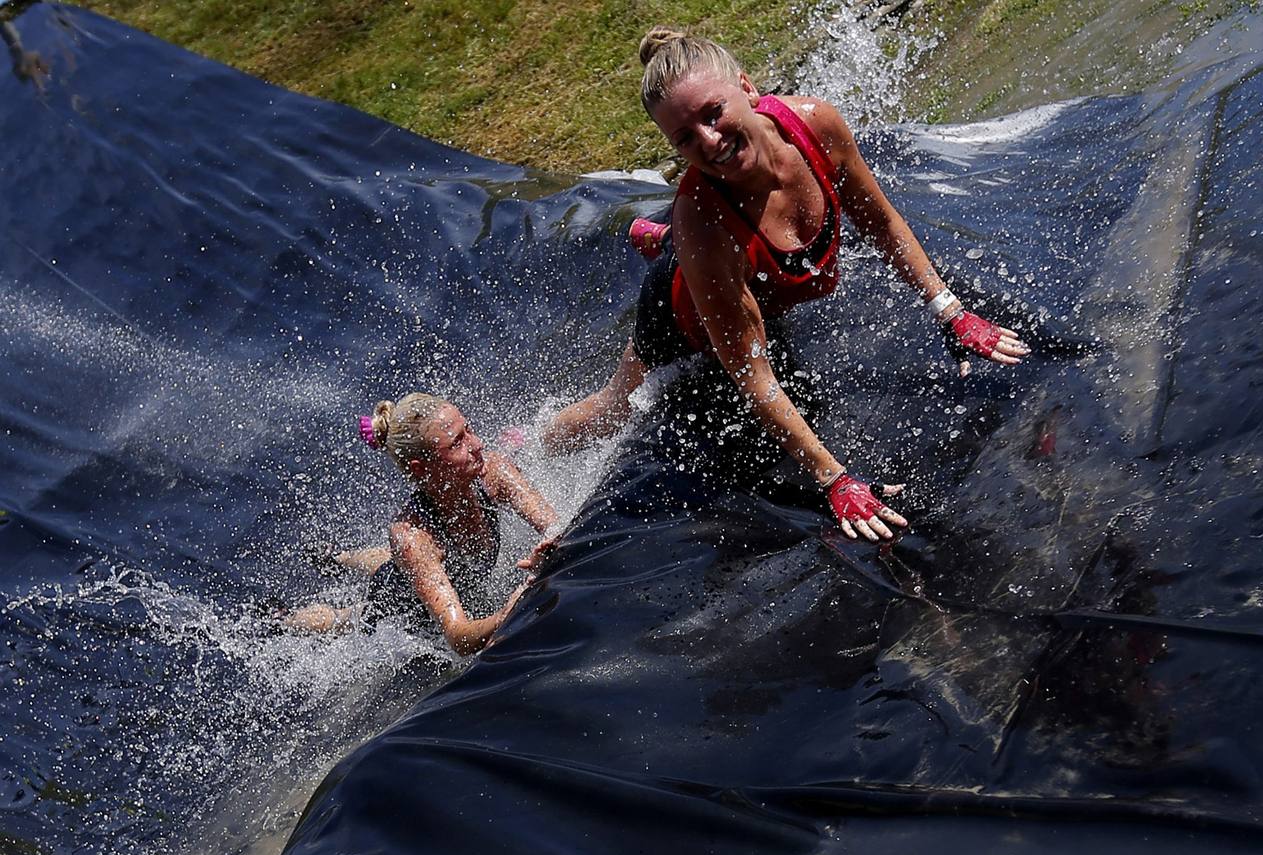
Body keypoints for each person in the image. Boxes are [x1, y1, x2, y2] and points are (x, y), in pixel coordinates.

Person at [544, 27, 1030, 543]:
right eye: (685, 138)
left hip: (740, 270)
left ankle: (665, 237)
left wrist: (950, 310)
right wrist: (835, 479)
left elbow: (883, 223)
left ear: (748, 88)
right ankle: (536, 445)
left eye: (713, 114)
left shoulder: (815, 125)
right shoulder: (706, 226)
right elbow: (753, 375)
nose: (709, 141)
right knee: (618, 404)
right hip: (682, 307)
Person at [285, 393, 558, 656]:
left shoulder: (493, 472)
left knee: (390, 561)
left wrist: (549, 547)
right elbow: (458, 637)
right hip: (398, 605)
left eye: (469, 430)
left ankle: (339, 557)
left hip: (408, 564)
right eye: (457, 443)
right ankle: (285, 618)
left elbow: (554, 526)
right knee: (346, 618)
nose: (477, 445)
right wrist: (505, 614)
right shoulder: (413, 537)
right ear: (419, 468)